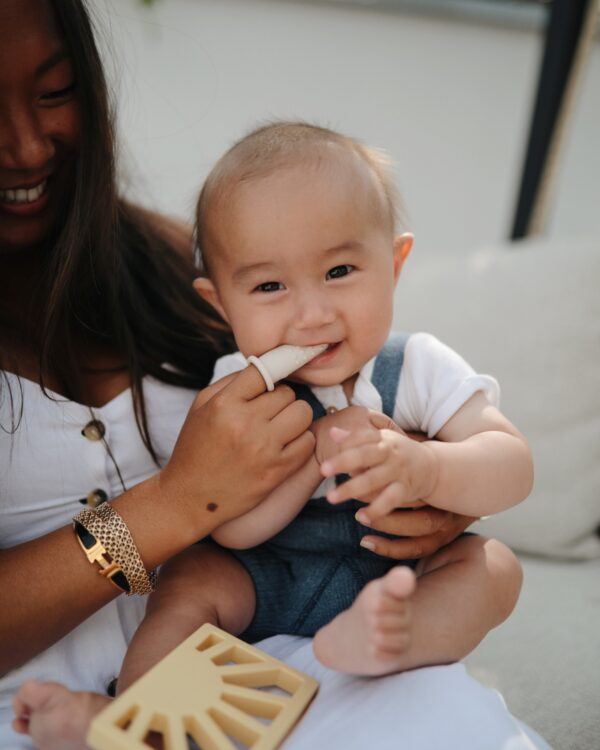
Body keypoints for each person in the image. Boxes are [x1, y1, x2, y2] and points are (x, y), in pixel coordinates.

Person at [0, 1, 498, 748]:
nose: (28, 145)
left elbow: (464, 450)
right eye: (272, 288)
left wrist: (433, 483)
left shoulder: (184, 271)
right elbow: (216, 514)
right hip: (46, 708)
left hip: (280, 669)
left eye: (55, 92)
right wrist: (174, 505)